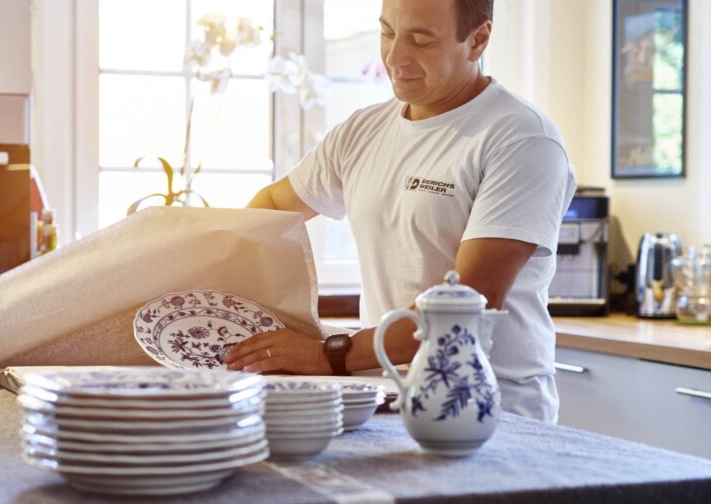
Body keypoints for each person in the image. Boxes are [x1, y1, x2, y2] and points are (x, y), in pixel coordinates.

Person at [224, 0, 576, 423]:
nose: (394, 57)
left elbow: (467, 300)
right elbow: (273, 209)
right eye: (388, 33)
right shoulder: (362, 131)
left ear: (478, 39)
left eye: (421, 40)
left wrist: (327, 355)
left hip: (493, 414)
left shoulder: (522, 140)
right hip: (386, 399)